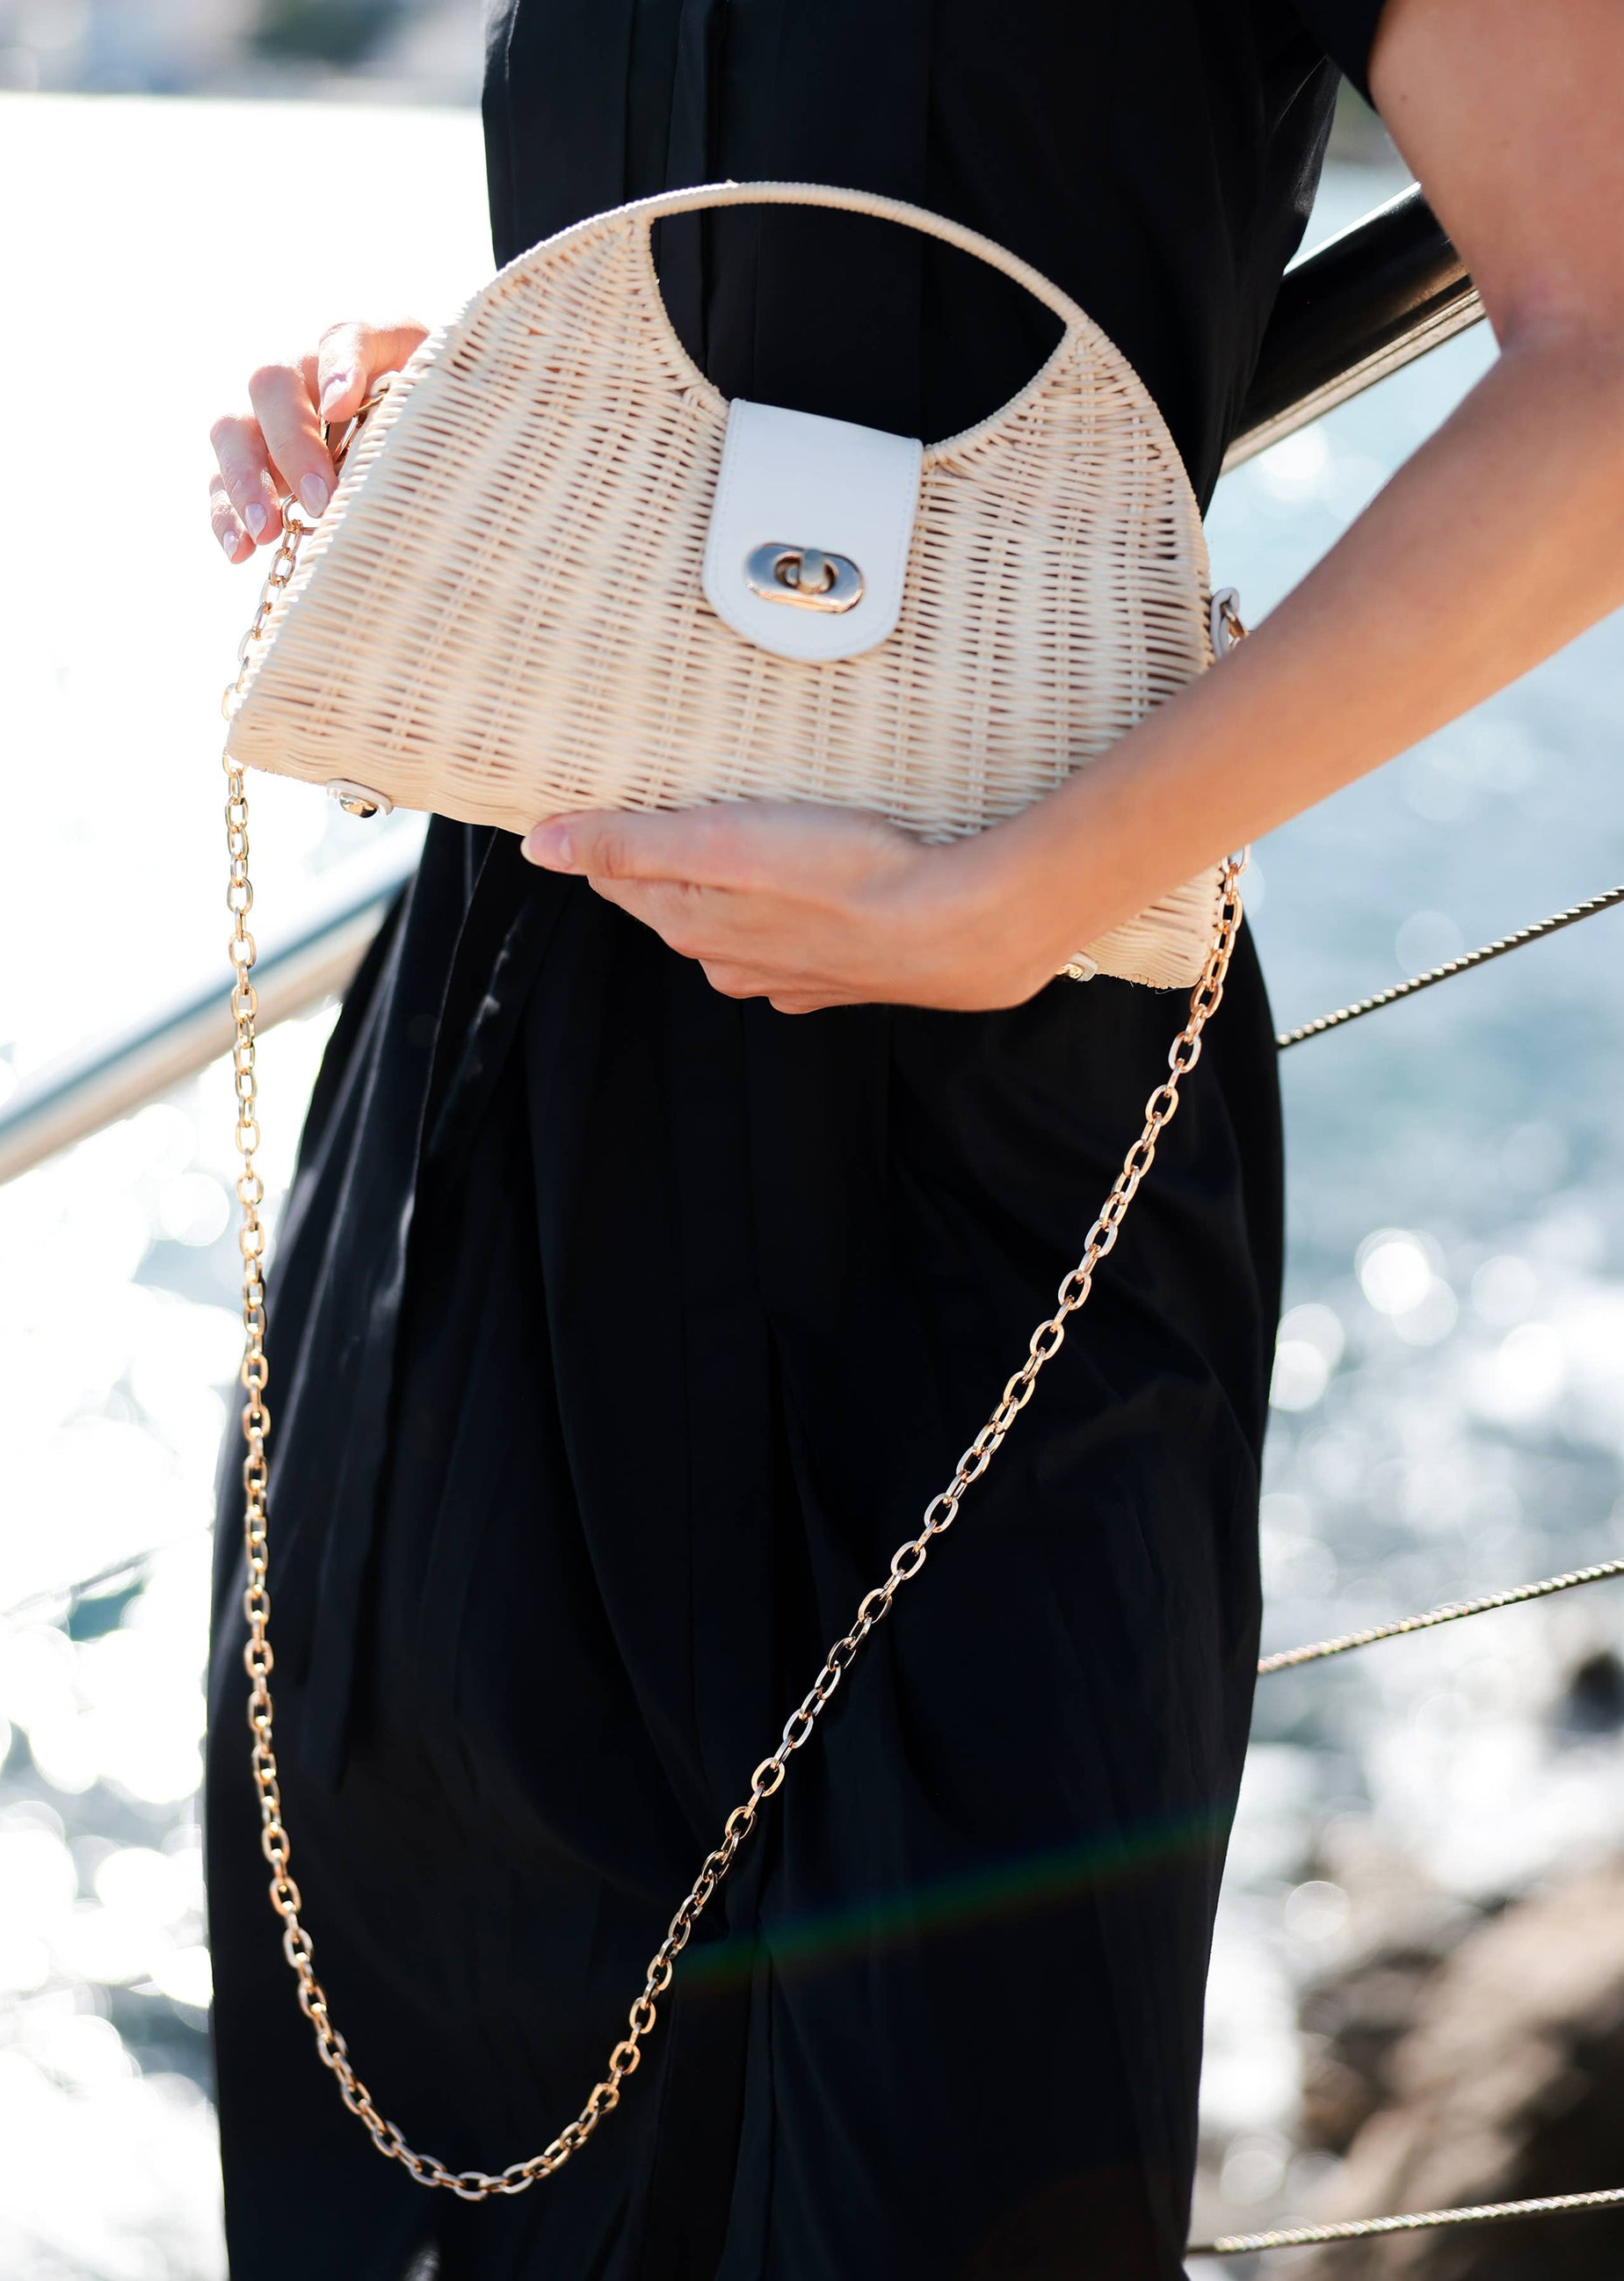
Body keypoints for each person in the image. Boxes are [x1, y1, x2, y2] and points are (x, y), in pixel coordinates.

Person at [202, 1, 1624, 2274]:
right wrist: (462, 400)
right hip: (497, 1129)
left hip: (1000, 1156)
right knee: (427, 2152)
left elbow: (1603, 367)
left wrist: (1026, 888)